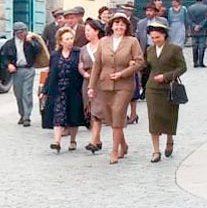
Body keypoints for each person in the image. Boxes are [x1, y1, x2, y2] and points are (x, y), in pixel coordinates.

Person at [87, 13, 143, 165]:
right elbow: (97, 65)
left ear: (127, 27)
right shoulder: (104, 41)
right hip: (105, 84)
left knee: (118, 113)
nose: (119, 27)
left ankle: (114, 150)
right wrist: (91, 86)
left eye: (122, 24)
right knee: (111, 118)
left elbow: (139, 62)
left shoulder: (132, 41)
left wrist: (123, 73)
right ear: (111, 26)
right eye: (116, 24)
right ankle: (124, 145)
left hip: (124, 85)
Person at [142, 21, 187, 163]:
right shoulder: (149, 50)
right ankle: (156, 151)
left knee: (169, 117)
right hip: (153, 89)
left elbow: (182, 67)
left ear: (164, 35)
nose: (155, 40)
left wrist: (167, 76)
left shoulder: (174, 49)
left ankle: (169, 139)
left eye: (158, 37)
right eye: (153, 38)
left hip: (169, 88)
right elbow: (146, 66)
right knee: (153, 119)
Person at [41, 28, 86, 151]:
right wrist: (44, 91)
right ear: (61, 41)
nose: (70, 41)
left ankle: (72, 140)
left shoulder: (78, 53)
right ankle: (57, 141)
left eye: (71, 38)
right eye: (67, 39)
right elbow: (51, 74)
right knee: (58, 115)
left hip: (74, 89)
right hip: (58, 90)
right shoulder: (55, 55)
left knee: (73, 116)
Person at [1, 22, 41, 127]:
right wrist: (8, 64)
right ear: (15, 33)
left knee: (26, 93)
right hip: (16, 71)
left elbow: (39, 50)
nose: (22, 34)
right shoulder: (9, 44)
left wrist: (31, 42)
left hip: (28, 69)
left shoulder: (30, 42)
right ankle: (22, 114)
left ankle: (27, 116)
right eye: (19, 33)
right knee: (18, 94)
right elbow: (3, 57)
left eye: (24, 32)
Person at [77, 19, 105, 154]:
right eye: (85, 31)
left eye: (89, 30)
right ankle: (97, 140)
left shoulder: (104, 45)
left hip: (100, 82)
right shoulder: (83, 49)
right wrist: (84, 73)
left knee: (97, 112)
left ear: (97, 31)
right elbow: (80, 65)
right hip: (87, 82)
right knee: (90, 110)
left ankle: (93, 141)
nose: (86, 33)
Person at [186, 0, 207, 68]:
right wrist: (200, 26)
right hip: (203, 30)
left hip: (193, 30)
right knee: (202, 46)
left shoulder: (190, 8)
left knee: (195, 47)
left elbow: (188, 19)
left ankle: (195, 62)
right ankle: (201, 62)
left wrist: (194, 26)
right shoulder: (206, 7)